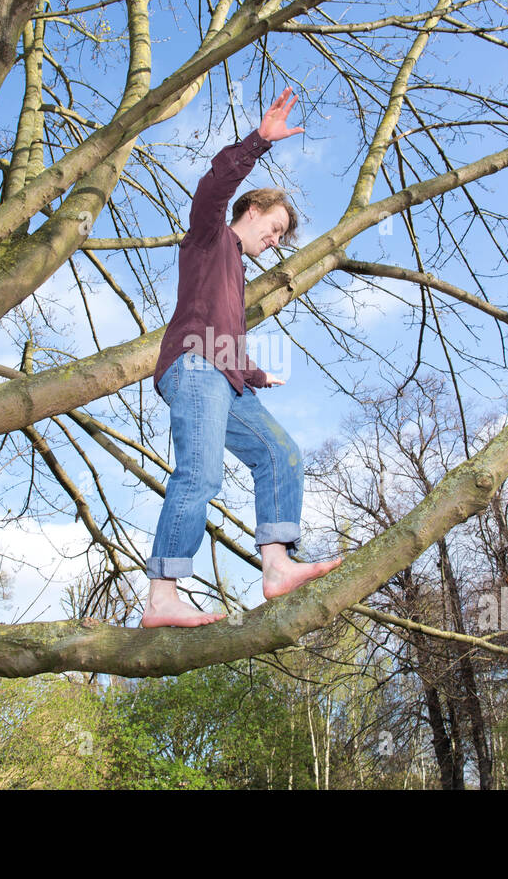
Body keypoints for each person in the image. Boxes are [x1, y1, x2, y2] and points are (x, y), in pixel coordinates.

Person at [141, 88, 342, 629]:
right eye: (272, 229)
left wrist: (252, 373)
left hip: (226, 378)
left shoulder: (234, 273)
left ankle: (276, 565)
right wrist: (259, 141)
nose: (274, 241)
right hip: (195, 367)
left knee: (280, 454)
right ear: (249, 212)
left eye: (280, 237)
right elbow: (214, 185)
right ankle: (162, 596)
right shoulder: (209, 238)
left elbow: (222, 330)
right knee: (200, 476)